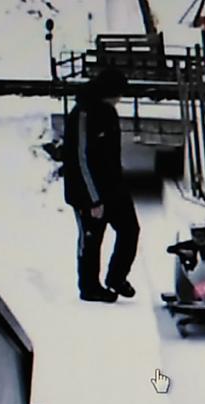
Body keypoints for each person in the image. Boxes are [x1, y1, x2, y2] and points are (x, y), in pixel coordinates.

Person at [63, 68, 140, 303]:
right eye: (117, 94)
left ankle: (116, 277)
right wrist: (93, 199)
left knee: (130, 230)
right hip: (87, 192)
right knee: (91, 239)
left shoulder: (109, 112)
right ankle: (89, 287)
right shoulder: (83, 114)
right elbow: (81, 158)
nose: (120, 99)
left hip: (114, 188)